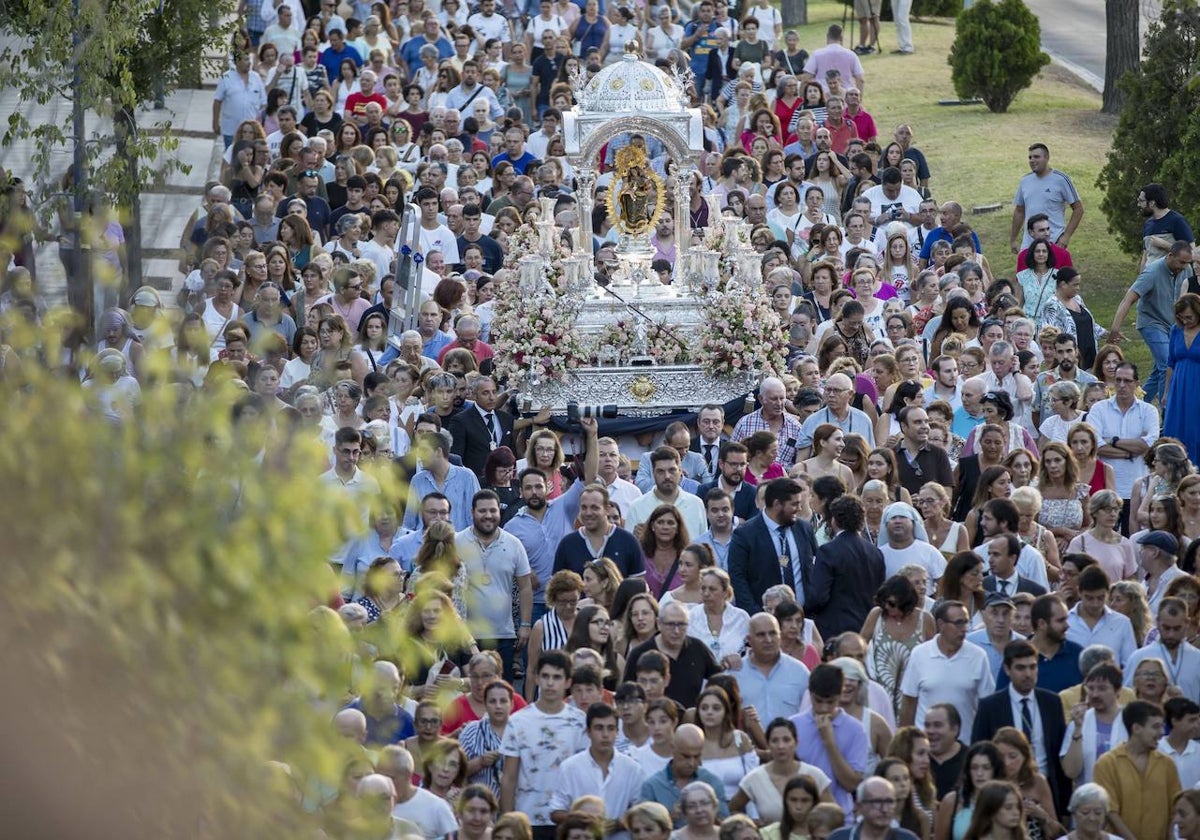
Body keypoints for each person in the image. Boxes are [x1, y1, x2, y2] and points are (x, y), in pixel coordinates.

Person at [971, 639, 1072, 814]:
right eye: (1021, 668)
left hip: (1046, 791)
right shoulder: (990, 706)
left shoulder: (1052, 702)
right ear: (1007, 669)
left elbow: (1058, 755)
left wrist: (1063, 808)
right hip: (1003, 793)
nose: (1028, 674)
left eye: (1033, 667)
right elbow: (979, 752)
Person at [499, 651, 587, 840]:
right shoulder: (518, 721)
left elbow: (584, 772)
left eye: (557, 677)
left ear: (568, 682)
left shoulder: (580, 721)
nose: (550, 683)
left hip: (568, 820)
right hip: (527, 819)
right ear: (537, 678)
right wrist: (508, 821)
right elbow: (509, 777)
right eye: (545, 676)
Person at [1111, 240, 1195, 406]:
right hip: (1151, 322)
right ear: (1170, 255)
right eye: (1181, 262)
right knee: (1167, 364)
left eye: (1187, 263)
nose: (1184, 266)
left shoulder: (1187, 270)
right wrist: (1115, 328)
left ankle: (1137, 404)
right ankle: (1167, 410)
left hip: (1172, 326)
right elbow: (1129, 298)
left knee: (1159, 370)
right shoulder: (1153, 272)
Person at [899, 600, 995, 736]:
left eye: (966, 622)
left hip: (965, 746)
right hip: (927, 746)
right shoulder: (919, 654)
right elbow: (909, 703)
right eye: (958, 623)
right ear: (941, 624)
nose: (964, 629)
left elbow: (987, 704)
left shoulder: (978, 656)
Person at [1093, 700, 1182, 840]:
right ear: (1136, 728)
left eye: (1162, 727)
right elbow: (1110, 811)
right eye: (1156, 727)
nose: (1162, 732)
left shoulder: (1167, 764)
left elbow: (1175, 808)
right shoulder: (1107, 763)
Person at [728, 478, 818, 615]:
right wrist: (756, 614)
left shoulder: (804, 529)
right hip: (765, 621)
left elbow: (814, 566)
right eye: (794, 504)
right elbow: (738, 578)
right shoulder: (745, 534)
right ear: (777, 504)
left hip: (804, 617)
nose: (799, 509)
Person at [788, 664, 867, 817]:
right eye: (818, 701)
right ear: (810, 694)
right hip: (799, 818)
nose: (824, 708)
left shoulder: (856, 730)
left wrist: (829, 742)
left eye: (830, 702)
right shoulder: (793, 725)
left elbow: (851, 784)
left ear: (840, 696)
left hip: (839, 818)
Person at [549, 703, 645, 825]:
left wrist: (619, 824)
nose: (605, 735)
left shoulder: (632, 769)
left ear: (617, 732)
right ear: (588, 732)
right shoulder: (569, 767)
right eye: (599, 728)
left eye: (610, 728)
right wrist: (584, 822)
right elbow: (556, 811)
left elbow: (640, 810)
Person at [807, 495, 886, 638]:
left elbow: (818, 596)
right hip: (867, 629)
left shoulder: (828, 551)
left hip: (834, 630)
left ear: (834, 520)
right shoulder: (876, 553)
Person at [860, 573, 935, 717]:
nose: (887, 607)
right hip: (878, 693)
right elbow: (859, 648)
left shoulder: (925, 619)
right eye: (884, 603)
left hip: (912, 694)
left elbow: (932, 657)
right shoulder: (877, 615)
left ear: (906, 601)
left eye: (892, 603)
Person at [623, 602, 721, 708]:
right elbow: (627, 693)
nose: (676, 631)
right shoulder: (639, 654)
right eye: (671, 624)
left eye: (681, 624)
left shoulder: (698, 649)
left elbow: (719, 681)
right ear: (659, 624)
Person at [640, 724, 731, 827]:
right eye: (686, 756)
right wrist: (669, 818)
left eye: (696, 757)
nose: (692, 763)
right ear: (672, 748)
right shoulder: (652, 786)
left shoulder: (712, 783)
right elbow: (643, 829)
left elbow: (725, 827)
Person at [731, 613, 811, 723]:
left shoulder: (799, 672)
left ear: (780, 636)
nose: (768, 640)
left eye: (773, 633)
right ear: (749, 639)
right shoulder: (734, 674)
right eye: (761, 635)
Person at [1010, 143, 1084, 254]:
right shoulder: (1025, 181)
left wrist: (1066, 236)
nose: (1032, 160)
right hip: (1029, 246)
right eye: (1030, 157)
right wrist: (1013, 239)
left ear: (1047, 158)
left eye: (1036, 157)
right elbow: (1019, 211)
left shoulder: (1061, 179)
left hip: (1054, 243)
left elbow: (1078, 209)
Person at [1123, 596, 1200, 698]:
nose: (1171, 634)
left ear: (1187, 623)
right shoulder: (1138, 657)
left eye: (1177, 628)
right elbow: (1127, 698)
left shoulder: (1197, 658)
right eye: (1166, 628)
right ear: (1158, 622)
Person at [380, 745, 461, 838]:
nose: (383, 783)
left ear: (407, 775)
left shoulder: (436, 807)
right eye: (379, 777)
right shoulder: (372, 806)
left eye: (390, 778)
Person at [934, 742, 1005, 840]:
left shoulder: (1007, 800)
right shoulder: (952, 801)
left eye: (986, 768)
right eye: (974, 768)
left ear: (995, 770)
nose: (979, 773)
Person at [1164, 294, 1200, 465]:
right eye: (1181, 317)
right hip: (1178, 388)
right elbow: (1171, 362)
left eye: (1189, 317)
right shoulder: (1175, 330)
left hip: (1197, 387)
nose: (1185, 321)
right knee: (1175, 429)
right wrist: (1166, 392)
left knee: (1195, 429)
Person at [827, 776, 919, 840]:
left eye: (889, 802)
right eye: (877, 802)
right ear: (860, 806)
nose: (884, 809)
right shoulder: (840, 837)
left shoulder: (907, 838)